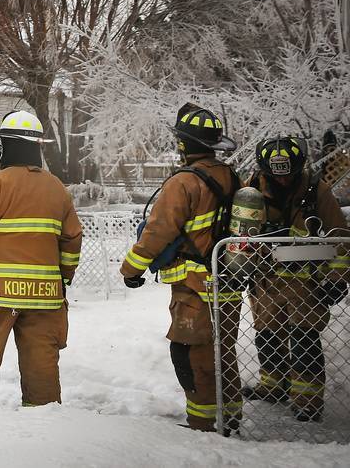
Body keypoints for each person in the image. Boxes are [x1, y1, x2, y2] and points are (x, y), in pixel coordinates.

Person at [0, 110, 83, 407]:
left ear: (6, 145)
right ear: (37, 147)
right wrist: (64, 276)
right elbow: (72, 240)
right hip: (46, 296)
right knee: (42, 364)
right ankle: (42, 417)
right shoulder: (57, 189)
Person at [120, 103, 243, 432]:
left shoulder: (184, 182)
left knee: (191, 353)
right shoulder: (229, 175)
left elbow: (158, 231)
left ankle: (202, 425)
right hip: (229, 279)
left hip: (196, 285)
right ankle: (230, 417)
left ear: (185, 143)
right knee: (221, 349)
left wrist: (130, 269)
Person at [241, 137, 349, 422]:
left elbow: (340, 236)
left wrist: (338, 279)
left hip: (306, 285)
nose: (284, 178)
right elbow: (239, 235)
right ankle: (273, 387)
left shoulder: (317, 191)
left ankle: (308, 402)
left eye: (289, 172)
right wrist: (239, 268)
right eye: (277, 173)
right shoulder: (251, 189)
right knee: (266, 338)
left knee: (304, 341)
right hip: (264, 282)